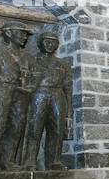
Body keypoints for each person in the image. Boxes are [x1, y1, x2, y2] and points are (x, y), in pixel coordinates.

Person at [0, 26, 36, 171]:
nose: (24, 37)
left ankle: (8, 160)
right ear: (8, 33)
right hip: (0, 89)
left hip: (20, 92)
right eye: (21, 33)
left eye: (25, 34)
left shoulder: (28, 57)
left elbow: (35, 78)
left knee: (16, 127)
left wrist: (30, 88)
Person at [23, 32, 72, 171]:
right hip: (38, 94)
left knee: (57, 129)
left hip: (57, 95)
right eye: (47, 41)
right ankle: (30, 161)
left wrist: (69, 107)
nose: (50, 45)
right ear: (40, 43)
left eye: (53, 42)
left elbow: (68, 86)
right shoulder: (32, 60)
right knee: (34, 128)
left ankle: (55, 161)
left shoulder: (63, 64)